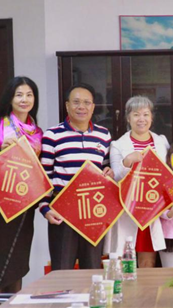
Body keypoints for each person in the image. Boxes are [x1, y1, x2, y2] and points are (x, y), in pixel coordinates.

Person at [0, 76, 43, 294]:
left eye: (29, 95)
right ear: (10, 98)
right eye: (19, 95)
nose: (24, 99)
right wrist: (0, 151)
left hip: (24, 205)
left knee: (17, 263)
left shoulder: (37, 132)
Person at [39, 83, 114, 270]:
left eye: (87, 102)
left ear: (93, 107)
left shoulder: (104, 135)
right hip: (62, 212)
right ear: (67, 106)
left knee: (92, 270)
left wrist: (110, 172)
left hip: (93, 212)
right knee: (62, 271)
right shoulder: (52, 135)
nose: (82, 107)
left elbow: (106, 169)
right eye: (76, 102)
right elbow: (43, 176)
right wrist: (45, 208)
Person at [106, 95, 169, 267]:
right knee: (124, 257)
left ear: (152, 117)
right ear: (128, 118)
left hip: (152, 207)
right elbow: (116, 178)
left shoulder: (161, 141)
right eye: (136, 114)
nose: (141, 119)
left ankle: (144, 287)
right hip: (128, 208)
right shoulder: (118, 145)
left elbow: (168, 174)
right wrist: (127, 162)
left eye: (145, 114)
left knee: (148, 259)